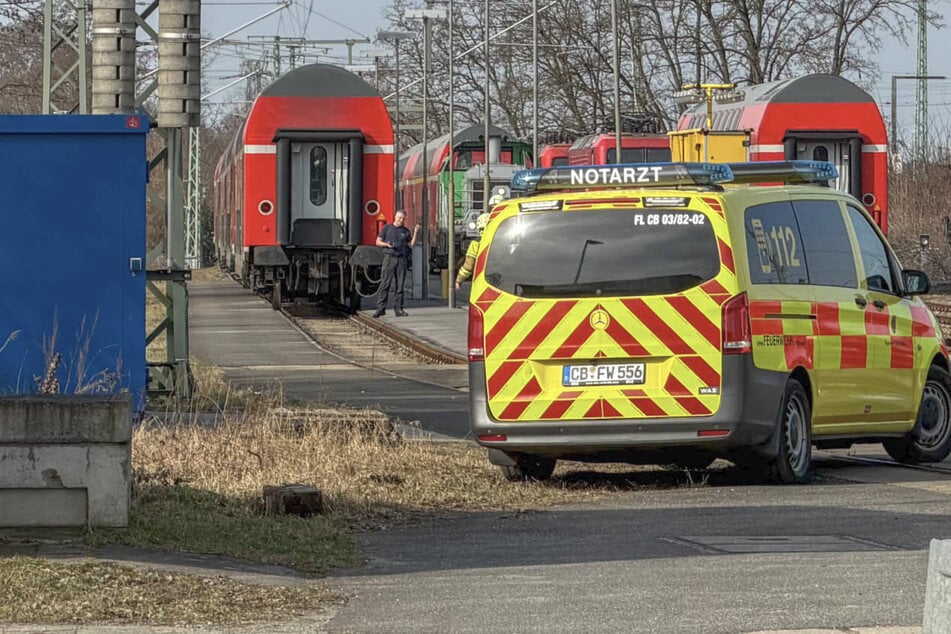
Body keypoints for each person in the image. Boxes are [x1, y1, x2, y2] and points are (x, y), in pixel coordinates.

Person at [374, 210, 420, 317]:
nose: (401, 220)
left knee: (400, 286)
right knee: (385, 284)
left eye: (403, 218)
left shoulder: (405, 231)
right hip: (389, 258)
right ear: (395, 217)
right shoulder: (387, 228)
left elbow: (411, 245)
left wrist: (415, 232)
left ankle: (399, 309)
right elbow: (377, 242)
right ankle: (380, 308)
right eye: (399, 218)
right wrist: (386, 244)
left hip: (401, 259)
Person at [456, 212, 490, 290]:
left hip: (483, 282)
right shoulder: (502, 242)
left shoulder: (476, 244)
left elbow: (469, 266)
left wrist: (459, 279)